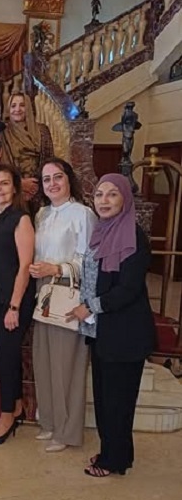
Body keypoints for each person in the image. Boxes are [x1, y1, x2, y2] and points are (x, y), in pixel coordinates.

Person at [68, 173, 156, 477]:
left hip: (125, 334)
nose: (103, 201)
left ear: (125, 199)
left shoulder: (134, 237)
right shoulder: (102, 232)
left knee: (119, 403)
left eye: (112, 194)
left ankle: (113, 461)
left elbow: (128, 289)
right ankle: (114, 452)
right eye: (99, 194)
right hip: (103, 332)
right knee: (106, 400)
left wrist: (90, 306)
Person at [29, 158, 97, 453]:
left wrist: (56, 269)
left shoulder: (83, 214)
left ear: (69, 179)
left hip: (68, 290)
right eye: (46, 179)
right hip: (43, 290)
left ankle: (67, 431)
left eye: (58, 177)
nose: (52, 183)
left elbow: (89, 260)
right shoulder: (42, 214)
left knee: (66, 365)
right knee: (44, 360)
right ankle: (49, 421)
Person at [0, 164, 35, 445]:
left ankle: (6, 417)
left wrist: (14, 307)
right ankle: (15, 407)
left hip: (13, 301)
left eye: (3, 183)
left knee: (8, 360)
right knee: (5, 356)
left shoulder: (21, 219)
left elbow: (24, 266)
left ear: (15, 187)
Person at [0, 92, 54, 202]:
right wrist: (21, 183)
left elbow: (49, 158)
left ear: (28, 107)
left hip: (41, 186)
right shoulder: (3, 136)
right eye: (13, 106)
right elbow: (4, 165)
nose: (17, 109)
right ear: (9, 109)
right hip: (16, 189)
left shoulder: (42, 130)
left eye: (22, 105)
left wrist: (38, 183)